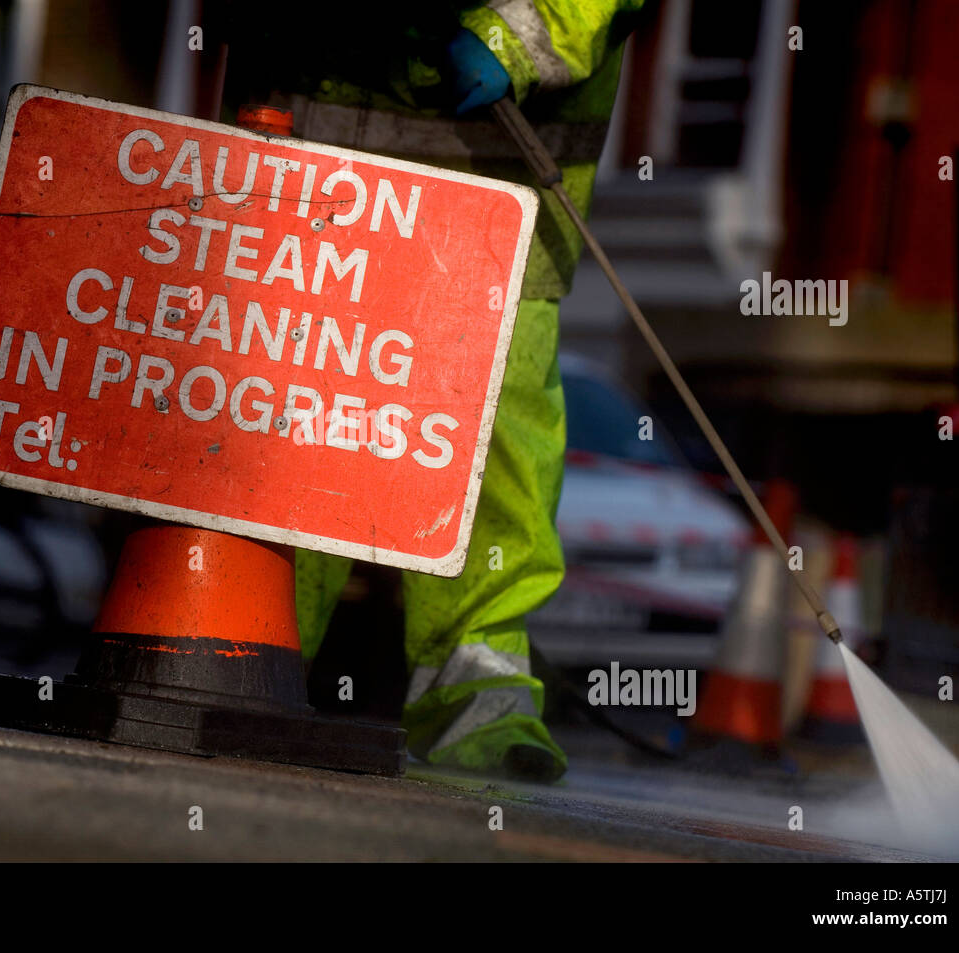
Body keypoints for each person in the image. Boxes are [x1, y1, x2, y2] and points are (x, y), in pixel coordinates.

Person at [224, 0, 645, 780]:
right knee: (291, 426)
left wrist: (524, 31)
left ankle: (477, 703)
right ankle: (239, 659)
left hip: (501, 201)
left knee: (490, 451)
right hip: (312, 192)